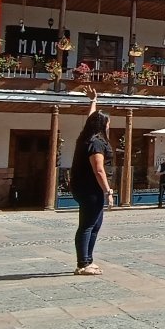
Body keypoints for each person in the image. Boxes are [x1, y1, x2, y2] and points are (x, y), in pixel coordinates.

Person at [70, 85, 115, 276]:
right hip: (91, 189)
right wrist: (108, 191)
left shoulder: (87, 137)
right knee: (87, 226)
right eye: (108, 123)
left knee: (94, 225)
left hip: (86, 188)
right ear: (102, 125)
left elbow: (92, 118)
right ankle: (83, 263)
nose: (109, 126)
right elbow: (99, 170)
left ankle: (88, 260)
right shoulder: (96, 143)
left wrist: (93, 101)